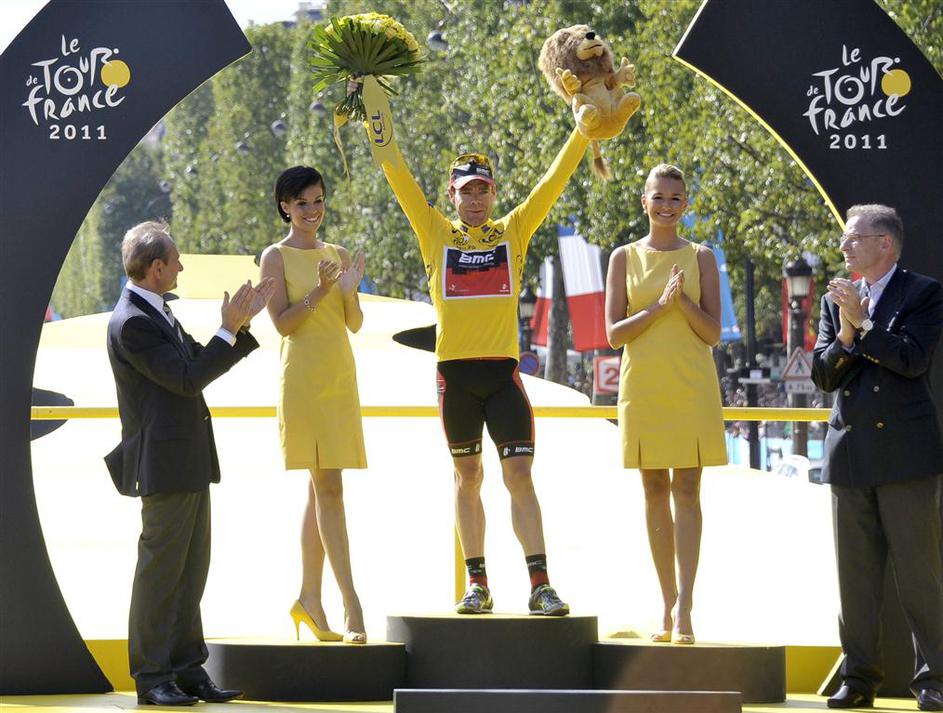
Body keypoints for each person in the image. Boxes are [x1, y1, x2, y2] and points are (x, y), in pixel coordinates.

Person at [358, 78, 592, 616]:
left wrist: (582, 131)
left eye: (483, 189)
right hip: (456, 378)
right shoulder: (435, 232)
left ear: (494, 192)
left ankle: (540, 585)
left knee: (519, 476)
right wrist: (371, 96)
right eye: (466, 191)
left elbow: (554, 181)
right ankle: (477, 583)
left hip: (503, 376)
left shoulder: (514, 230)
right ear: (452, 195)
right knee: (468, 477)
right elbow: (395, 169)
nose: (476, 199)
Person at [105, 221, 274, 705]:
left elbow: (196, 362)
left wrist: (238, 327)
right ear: (157, 268)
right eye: (175, 260)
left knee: (190, 572)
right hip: (165, 465)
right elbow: (186, 378)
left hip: (186, 461)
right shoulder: (133, 321)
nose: (181, 266)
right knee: (161, 575)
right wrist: (228, 328)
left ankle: (186, 670)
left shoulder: (154, 311)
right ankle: (152, 676)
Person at [811, 204, 943, 711]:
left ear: (884, 243)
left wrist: (863, 325)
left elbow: (911, 360)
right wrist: (846, 333)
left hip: (906, 456)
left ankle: (934, 680)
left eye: (854, 238)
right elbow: (825, 376)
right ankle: (859, 677)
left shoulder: (923, 293)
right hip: (849, 453)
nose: (844, 247)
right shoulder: (837, 298)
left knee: (919, 575)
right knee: (855, 577)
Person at [604, 164, 726, 645]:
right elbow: (614, 334)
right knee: (653, 488)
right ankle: (667, 603)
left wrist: (682, 304)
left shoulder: (702, 257)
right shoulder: (623, 257)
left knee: (688, 489)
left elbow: (713, 333)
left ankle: (687, 607)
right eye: (658, 197)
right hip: (644, 387)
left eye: (675, 198)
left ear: (686, 204)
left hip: (692, 385)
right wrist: (658, 307)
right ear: (644, 201)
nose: (667, 206)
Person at [259, 166, 368, 645]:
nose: (312, 210)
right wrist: (321, 291)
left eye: (318, 200)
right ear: (285, 206)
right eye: (302, 203)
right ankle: (351, 603)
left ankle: (309, 598)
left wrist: (348, 291)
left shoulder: (338, 254)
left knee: (319, 490)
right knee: (330, 489)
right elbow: (282, 324)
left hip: (338, 378)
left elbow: (354, 323)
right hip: (302, 380)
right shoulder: (274, 256)